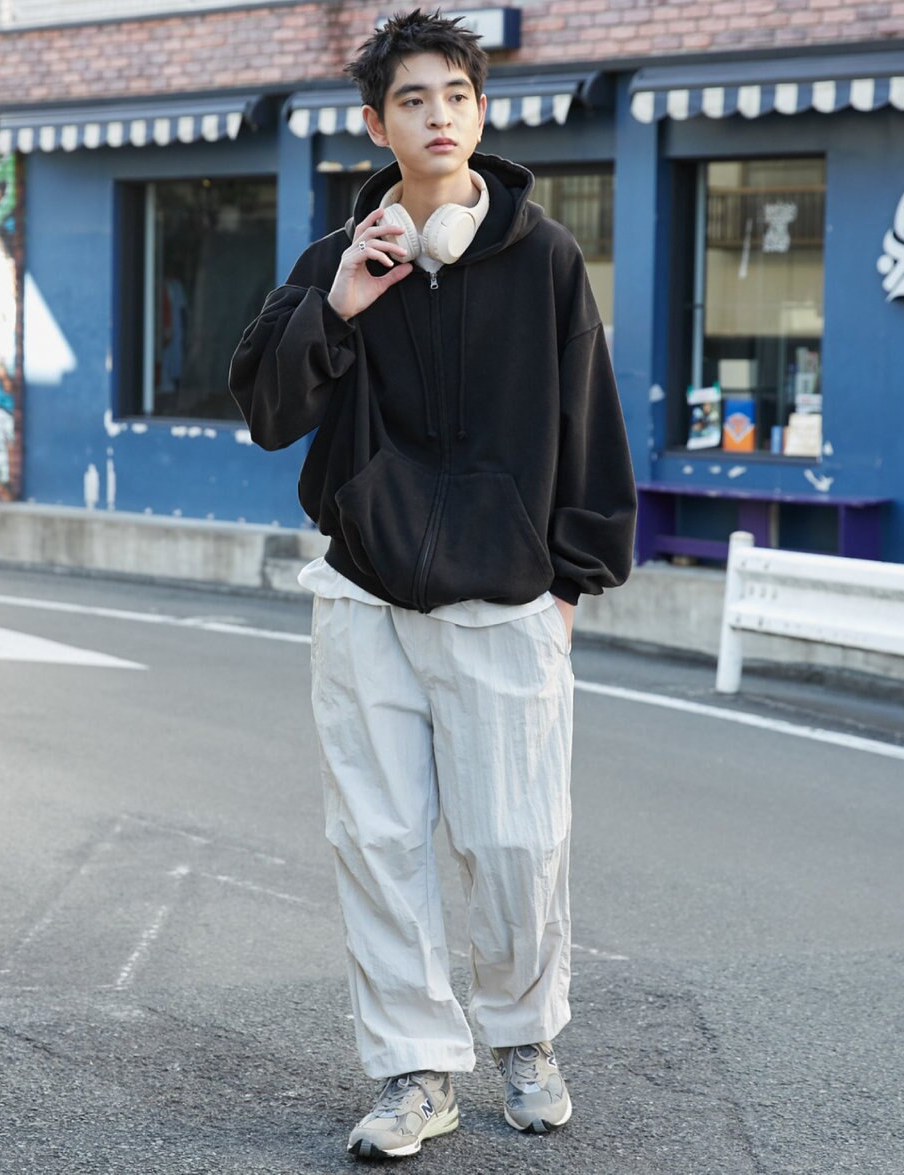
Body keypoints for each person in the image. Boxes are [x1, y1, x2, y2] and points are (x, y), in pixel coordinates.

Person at [228, 8, 636, 1161]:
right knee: (378, 839)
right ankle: (414, 1069)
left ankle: (525, 1036)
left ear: (480, 110)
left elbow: (590, 423)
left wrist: (570, 583)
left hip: (507, 601)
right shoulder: (337, 257)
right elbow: (266, 409)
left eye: (454, 95)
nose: (438, 116)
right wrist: (339, 304)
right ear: (378, 123)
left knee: (516, 842)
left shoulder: (545, 260)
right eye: (412, 99)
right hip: (364, 595)